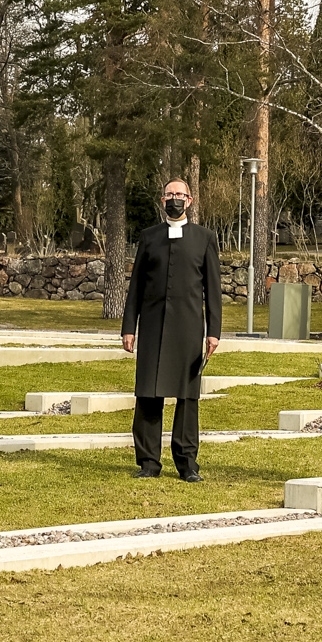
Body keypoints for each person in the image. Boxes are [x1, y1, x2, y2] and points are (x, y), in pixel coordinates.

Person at [121, 179, 222, 482]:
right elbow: (136, 286)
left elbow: (213, 290)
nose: (175, 199)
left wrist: (213, 331)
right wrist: (129, 328)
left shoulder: (205, 238)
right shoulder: (148, 237)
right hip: (152, 325)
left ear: (189, 201)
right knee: (149, 394)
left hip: (189, 327)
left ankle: (187, 464)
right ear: (162, 200)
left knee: (187, 398)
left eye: (180, 195)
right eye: (170, 195)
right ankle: (149, 462)